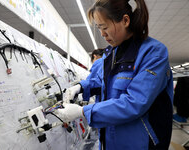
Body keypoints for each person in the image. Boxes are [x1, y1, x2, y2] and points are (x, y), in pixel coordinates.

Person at [56, 0, 173, 149]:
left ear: (125, 20)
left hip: (140, 144)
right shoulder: (111, 53)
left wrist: (83, 112)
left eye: (105, 27)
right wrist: (80, 87)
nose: (102, 34)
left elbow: (135, 102)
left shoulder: (153, 53)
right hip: (110, 140)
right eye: (99, 28)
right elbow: (102, 81)